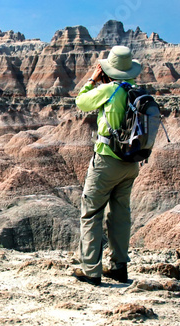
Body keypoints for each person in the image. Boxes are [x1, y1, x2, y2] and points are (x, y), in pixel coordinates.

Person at [72, 45, 142, 286]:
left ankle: (91, 270)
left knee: (91, 212)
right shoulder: (136, 90)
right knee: (120, 214)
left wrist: (93, 79)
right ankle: (119, 266)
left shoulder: (110, 89)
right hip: (131, 162)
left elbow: (81, 102)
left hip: (107, 160)